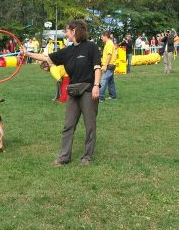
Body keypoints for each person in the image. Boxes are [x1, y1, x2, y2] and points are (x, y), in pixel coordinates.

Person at [20, 19, 101, 166]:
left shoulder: (91, 47)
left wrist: (96, 85)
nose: (65, 33)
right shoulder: (68, 51)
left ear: (74, 31)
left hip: (88, 90)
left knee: (90, 125)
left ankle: (87, 157)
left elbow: (97, 67)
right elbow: (46, 58)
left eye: (67, 30)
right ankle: (64, 157)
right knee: (68, 125)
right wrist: (27, 54)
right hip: (73, 91)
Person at [99, 31, 117, 102]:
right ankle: (113, 95)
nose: (101, 38)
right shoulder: (109, 43)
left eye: (102, 37)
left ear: (106, 36)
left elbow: (109, 55)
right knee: (111, 81)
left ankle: (100, 98)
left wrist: (105, 65)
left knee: (103, 81)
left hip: (109, 65)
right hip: (111, 64)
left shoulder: (109, 44)